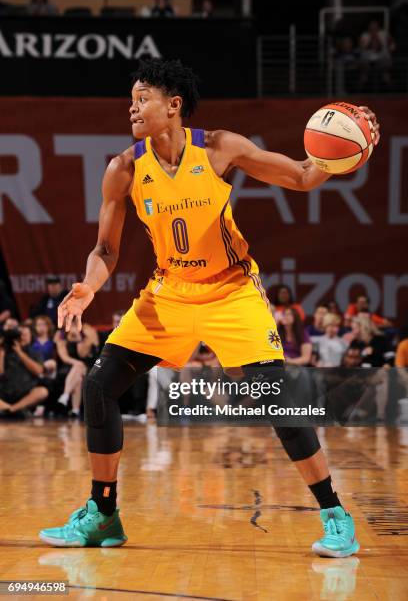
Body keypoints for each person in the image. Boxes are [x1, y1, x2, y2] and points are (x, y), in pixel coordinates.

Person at [39, 58, 380, 556]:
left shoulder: (219, 147)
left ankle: (335, 515)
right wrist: (89, 286)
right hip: (170, 292)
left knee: (274, 399)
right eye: (131, 99)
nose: (132, 108)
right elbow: (106, 251)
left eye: (143, 99)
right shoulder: (124, 168)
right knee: (98, 386)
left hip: (231, 290)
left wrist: (345, 154)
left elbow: (305, 177)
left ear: (173, 106)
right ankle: (103, 515)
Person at [0, 325, 48, 415]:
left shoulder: (35, 353)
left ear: (31, 337)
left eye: (25, 335)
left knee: (42, 391)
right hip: (4, 392)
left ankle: (11, 410)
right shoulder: (4, 351)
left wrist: (20, 352)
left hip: (25, 393)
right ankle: (15, 409)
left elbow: (38, 371)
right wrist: (1, 353)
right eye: (19, 335)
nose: (21, 337)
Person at [55, 324, 99, 417]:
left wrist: (79, 339)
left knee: (79, 368)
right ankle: (75, 409)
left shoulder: (86, 336)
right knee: (78, 376)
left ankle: (65, 395)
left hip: (87, 367)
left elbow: (82, 354)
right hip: (69, 367)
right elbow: (64, 358)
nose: (73, 329)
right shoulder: (61, 338)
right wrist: (76, 363)